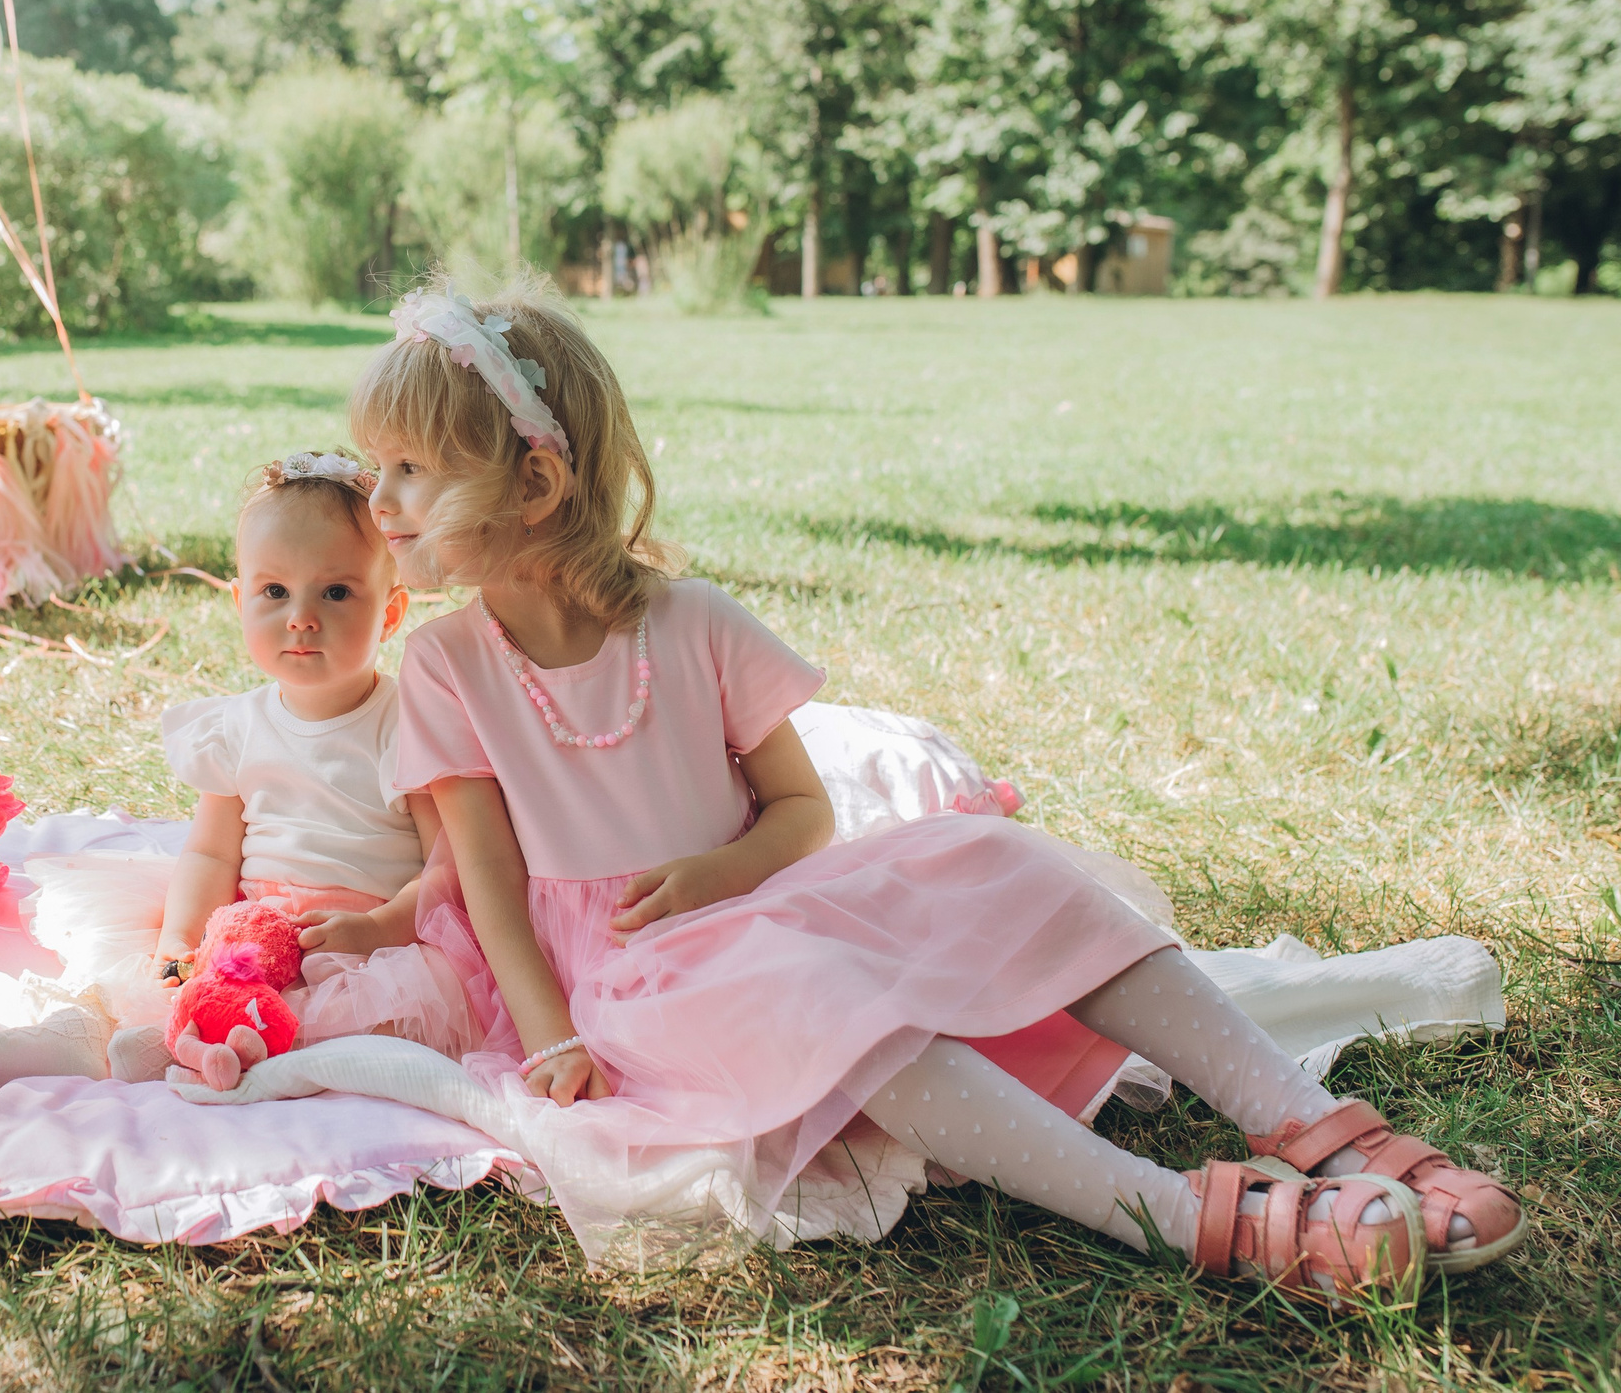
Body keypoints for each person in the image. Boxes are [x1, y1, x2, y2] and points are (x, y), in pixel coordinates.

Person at [352, 280, 1525, 1298]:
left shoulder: (692, 621)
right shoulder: (450, 664)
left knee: (1000, 863)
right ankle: (1171, 1212)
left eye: (410, 469)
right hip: (633, 974)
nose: (379, 498)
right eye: (376, 467)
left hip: (755, 902)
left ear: (536, 480)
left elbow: (802, 812)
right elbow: (489, 877)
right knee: (823, 999)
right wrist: (550, 1033)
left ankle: (1304, 1120)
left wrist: (723, 869)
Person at [0, 450, 472, 1089]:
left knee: (334, 1019)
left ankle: (195, 1049)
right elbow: (209, 854)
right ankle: (92, 1030)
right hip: (246, 926)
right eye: (275, 591)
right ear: (239, 601)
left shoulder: (407, 725)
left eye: (336, 592)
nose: (301, 616)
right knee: (169, 973)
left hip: (357, 942)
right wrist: (180, 943)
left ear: (390, 613)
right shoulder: (236, 727)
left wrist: (378, 928)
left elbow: (452, 864)